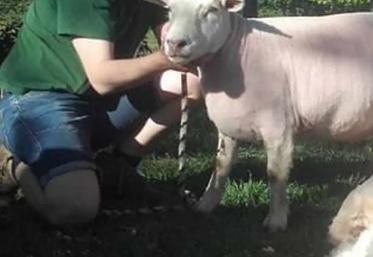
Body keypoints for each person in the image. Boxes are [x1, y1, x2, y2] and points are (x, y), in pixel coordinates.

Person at [0, 0, 201, 225]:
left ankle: (119, 164)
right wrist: (166, 58)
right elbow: (103, 78)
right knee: (75, 208)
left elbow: (172, 32)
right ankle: (13, 163)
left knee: (192, 83)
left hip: (99, 100)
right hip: (40, 98)